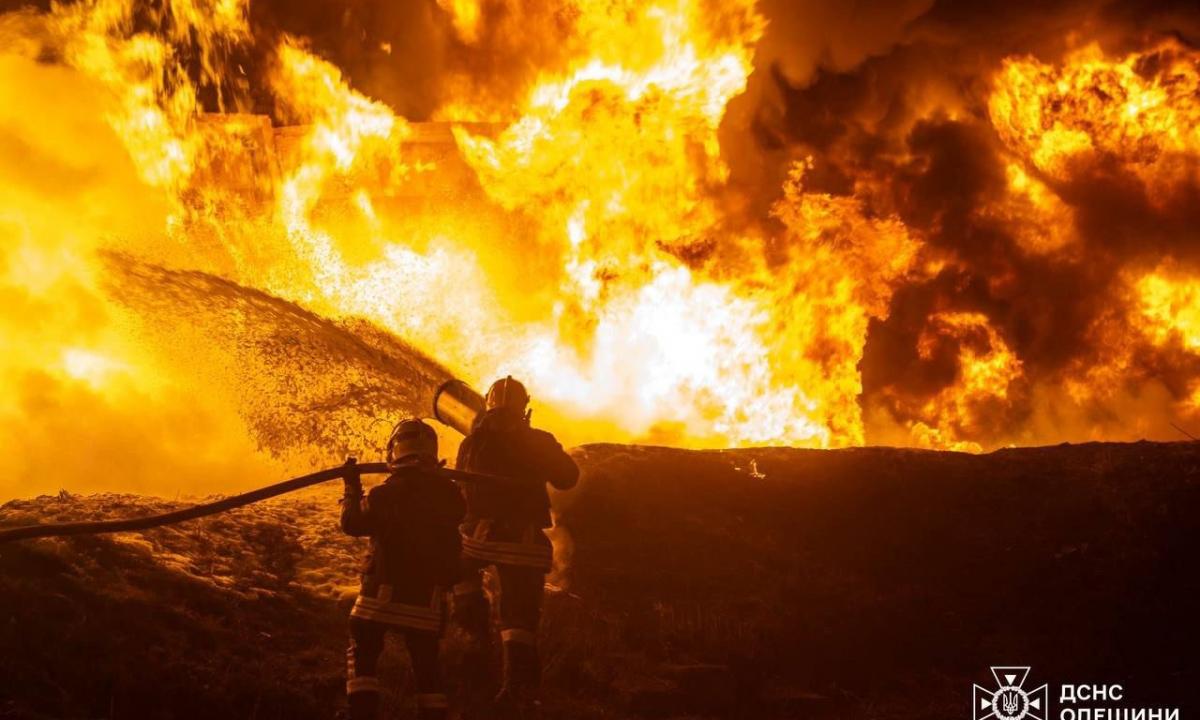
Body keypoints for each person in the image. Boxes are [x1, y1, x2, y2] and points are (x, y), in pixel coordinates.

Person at [452, 376, 579, 719]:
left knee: (460, 574)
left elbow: (461, 491)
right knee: (519, 618)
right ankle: (517, 691)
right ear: (524, 408)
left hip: (476, 540)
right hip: (522, 543)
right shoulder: (538, 440)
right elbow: (568, 477)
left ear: (488, 406)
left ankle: (473, 644)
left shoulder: (471, 443)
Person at [341, 418, 466, 720]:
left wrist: (351, 486)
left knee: (363, 654)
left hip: (379, 597)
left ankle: (362, 714)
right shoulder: (451, 495)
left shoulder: (384, 494)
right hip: (427, 600)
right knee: (427, 669)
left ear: (393, 452)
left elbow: (352, 524)